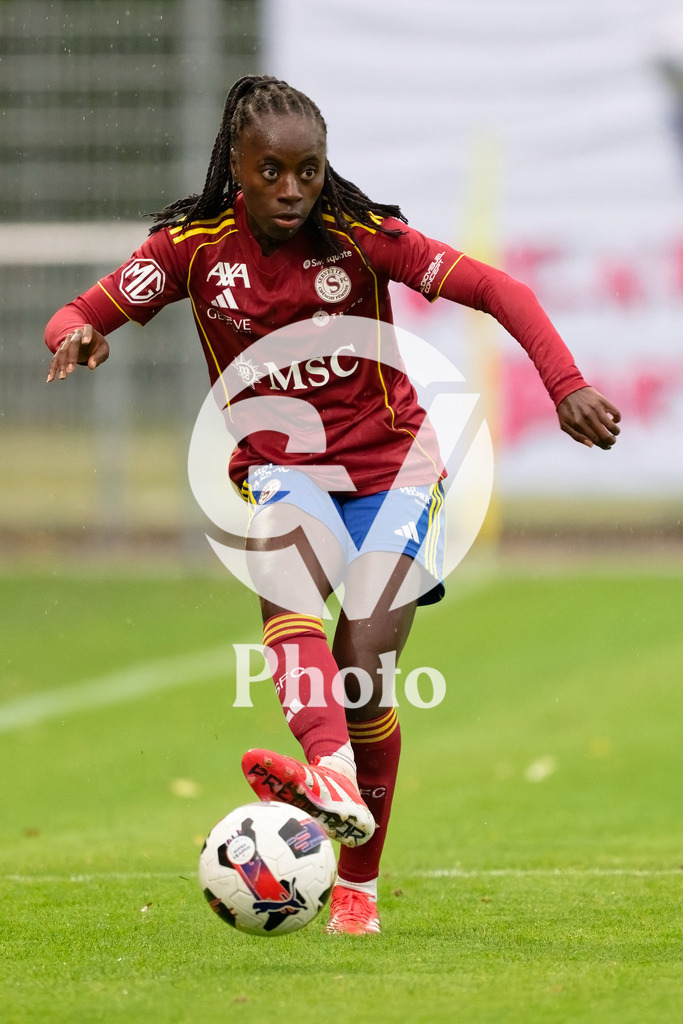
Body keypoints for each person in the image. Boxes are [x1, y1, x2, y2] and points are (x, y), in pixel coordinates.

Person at [45, 74, 621, 936]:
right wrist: (77, 335)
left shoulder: (359, 237)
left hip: (393, 471)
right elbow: (73, 313)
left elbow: (500, 290)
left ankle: (358, 883)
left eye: (307, 171)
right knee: (285, 568)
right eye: (271, 171)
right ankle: (332, 776)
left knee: (362, 666)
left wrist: (564, 383)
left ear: (325, 168)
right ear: (236, 166)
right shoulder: (191, 249)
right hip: (285, 473)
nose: (291, 189)